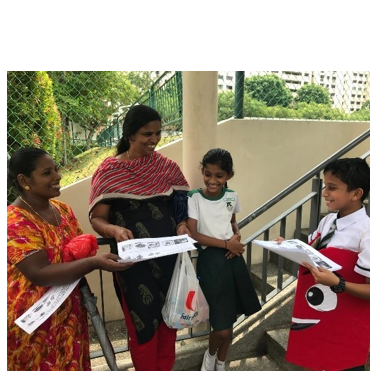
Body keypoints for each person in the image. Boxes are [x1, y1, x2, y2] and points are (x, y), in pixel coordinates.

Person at [7, 147, 133, 371]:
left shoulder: (62, 210)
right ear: (24, 180)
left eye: (56, 169)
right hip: (35, 323)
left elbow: (75, 254)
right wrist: (94, 262)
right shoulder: (14, 221)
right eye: (47, 173)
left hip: (69, 315)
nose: (57, 176)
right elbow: (39, 273)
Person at [87, 105, 191, 371]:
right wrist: (113, 230)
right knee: (143, 325)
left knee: (170, 320)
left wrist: (181, 224)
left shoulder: (167, 168)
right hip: (133, 267)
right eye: (147, 134)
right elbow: (97, 218)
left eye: (158, 133)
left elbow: (182, 206)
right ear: (130, 134)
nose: (154, 140)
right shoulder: (109, 171)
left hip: (169, 260)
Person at [279, 158, 370, 371]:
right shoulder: (329, 221)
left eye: (332, 188)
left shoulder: (368, 235)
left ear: (356, 194)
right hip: (321, 321)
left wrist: (339, 283)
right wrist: (288, 247)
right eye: (325, 186)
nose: (324, 193)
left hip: (345, 331)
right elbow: (313, 252)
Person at [186, 149, 261, 371]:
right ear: (202, 171)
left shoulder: (232, 196)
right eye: (207, 174)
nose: (212, 180)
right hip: (211, 261)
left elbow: (233, 222)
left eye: (219, 175)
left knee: (229, 320)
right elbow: (194, 234)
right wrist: (229, 244)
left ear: (229, 175)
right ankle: (209, 358)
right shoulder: (194, 197)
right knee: (221, 326)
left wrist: (236, 237)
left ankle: (221, 362)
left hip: (233, 260)